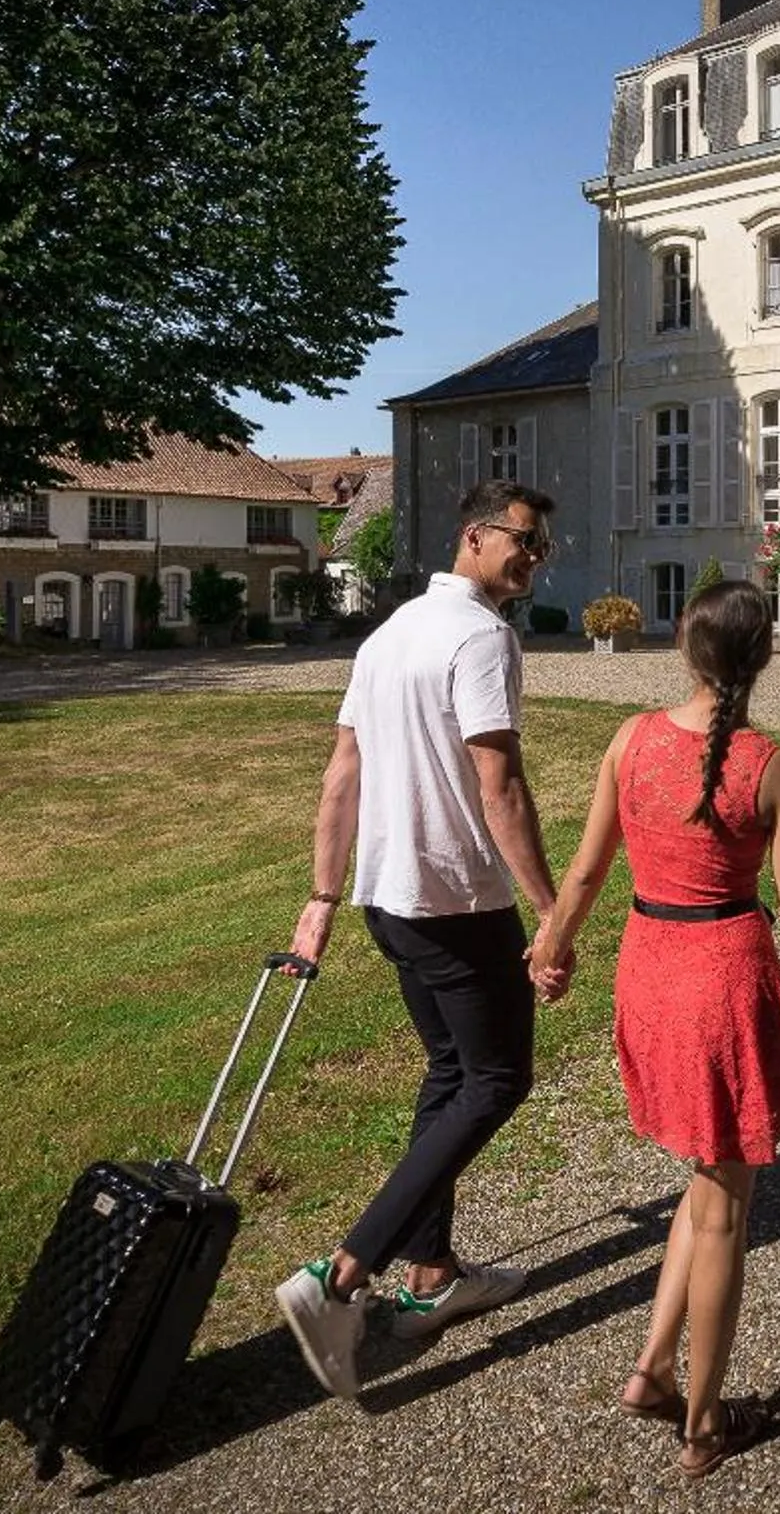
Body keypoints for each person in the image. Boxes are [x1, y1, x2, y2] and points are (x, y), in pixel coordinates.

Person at [530, 577, 780, 1479]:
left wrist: (552, 948)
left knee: (705, 1179)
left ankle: (651, 1370)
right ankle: (705, 1421)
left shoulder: (630, 739)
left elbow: (586, 871)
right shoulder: (775, 767)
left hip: (649, 968)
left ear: (682, 643)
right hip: (721, 977)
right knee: (724, 1210)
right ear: (765, 656)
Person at [273, 480, 565, 1399]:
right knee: (496, 1078)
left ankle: (433, 1275)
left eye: (542, 547)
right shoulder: (480, 636)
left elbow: (339, 777)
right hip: (456, 897)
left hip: (388, 898)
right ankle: (341, 1276)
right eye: (522, 539)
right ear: (472, 536)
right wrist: (553, 912)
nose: (531, 556)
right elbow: (501, 785)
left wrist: (325, 892)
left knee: (449, 1073)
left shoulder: (390, 632)